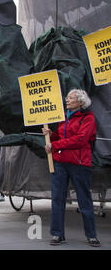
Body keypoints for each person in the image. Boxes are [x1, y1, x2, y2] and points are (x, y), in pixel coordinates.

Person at [42, 88, 100, 247]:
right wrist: (50, 134)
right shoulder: (63, 118)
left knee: (84, 200)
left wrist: (55, 145)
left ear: (80, 102)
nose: (66, 100)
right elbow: (61, 136)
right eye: (67, 97)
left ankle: (91, 235)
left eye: (70, 98)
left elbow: (80, 140)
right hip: (60, 163)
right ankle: (57, 234)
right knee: (57, 199)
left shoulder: (88, 118)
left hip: (80, 164)